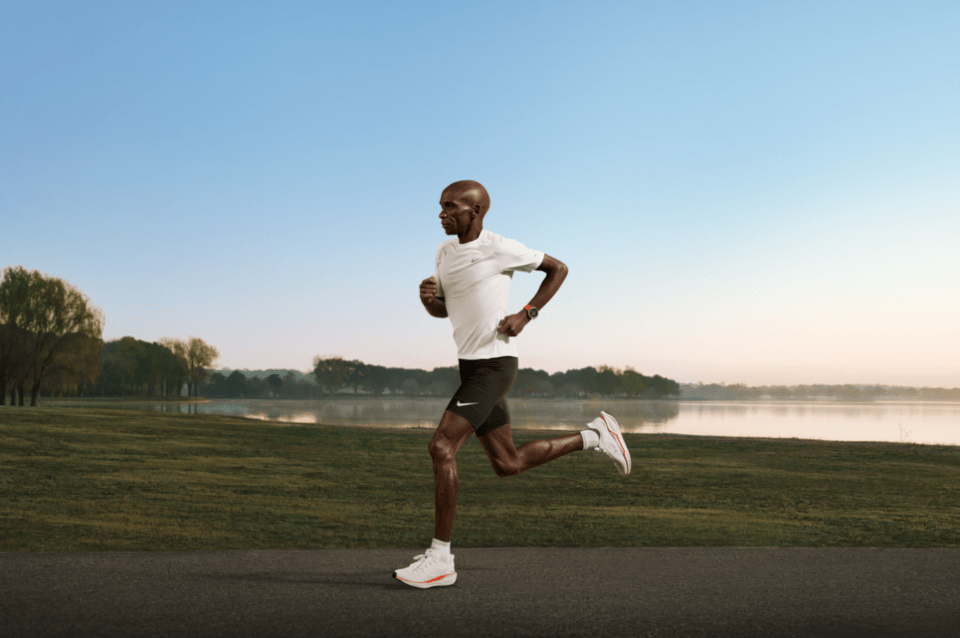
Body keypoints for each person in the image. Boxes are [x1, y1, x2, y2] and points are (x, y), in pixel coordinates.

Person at [393, 180, 631, 589]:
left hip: (495, 366)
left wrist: (526, 314)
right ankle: (594, 436)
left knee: (441, 447)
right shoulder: (444, 251)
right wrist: (428, 300)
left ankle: (440, 560)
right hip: (471, 368)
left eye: (450, 207)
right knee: (508, 464)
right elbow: (445, 309)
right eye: (440, 206)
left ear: (476, 211)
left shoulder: (501, 247)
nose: (441, 214)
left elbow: (559, 269)